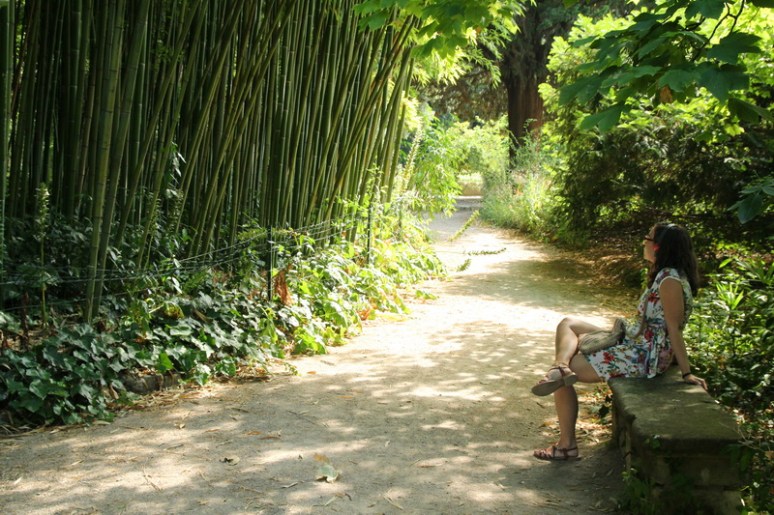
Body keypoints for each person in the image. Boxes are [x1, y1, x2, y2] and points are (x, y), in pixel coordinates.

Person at [530, 222, 708, 461]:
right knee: (569, 323)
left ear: (657, 247)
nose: (642, 243)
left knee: (568, 375)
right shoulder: (665, 275)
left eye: (646, 238)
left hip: (644, 355)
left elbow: (674, 329)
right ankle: (559, 366)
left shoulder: (670, 281)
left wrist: (686, 373)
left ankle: (566, 445)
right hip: (634, 339)